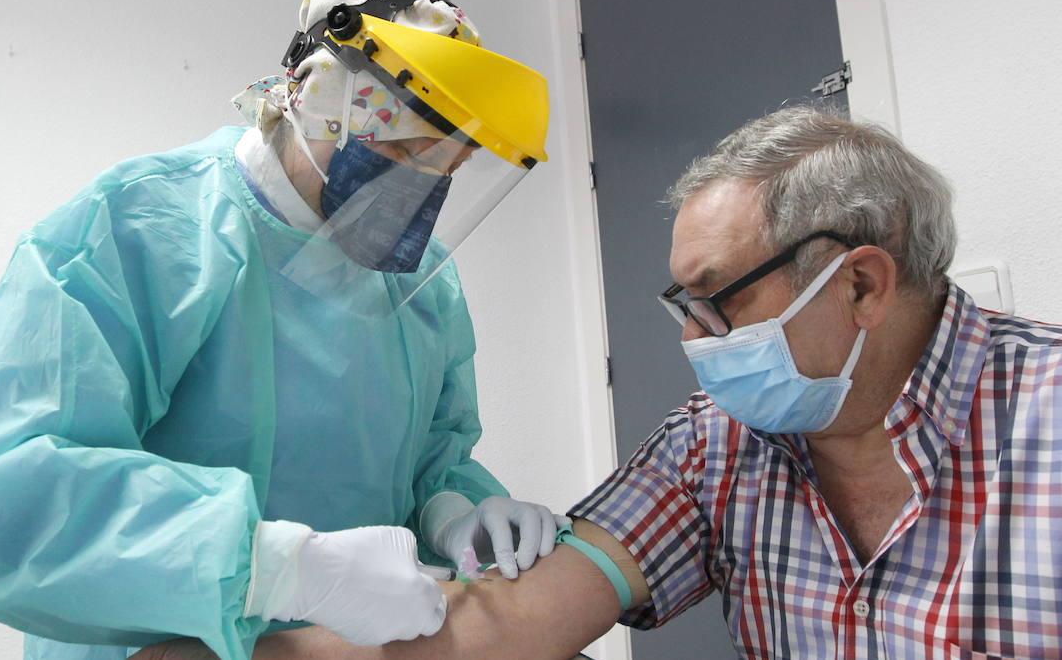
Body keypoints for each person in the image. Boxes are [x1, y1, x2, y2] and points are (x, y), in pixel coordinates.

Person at [131, 105, 1061, 660]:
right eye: (680, 306)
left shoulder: (1044, 421)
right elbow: (501, 626)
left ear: (860, 282)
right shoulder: (719, 444)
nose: (696, 343)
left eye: (716, 302)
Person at [0, 0, 563, 660]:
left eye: (447, 171)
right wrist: (282, 569)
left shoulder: (422, 286)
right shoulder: (138, 232)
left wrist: (454, 512)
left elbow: (433, 454)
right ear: (320, 101)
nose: (420, 197)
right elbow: (1, 502)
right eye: (405, 156)